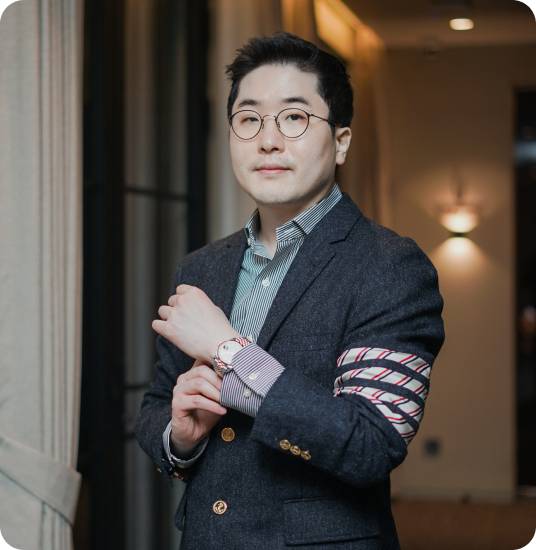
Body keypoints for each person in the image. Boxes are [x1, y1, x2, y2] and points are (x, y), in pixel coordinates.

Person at [135, 32, 444, 550]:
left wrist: (228, 350)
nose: (268, 141)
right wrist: (180, 438)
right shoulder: (201, 267)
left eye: (295, 117)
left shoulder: (390, 265)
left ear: (341, 141)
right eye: (249, 119)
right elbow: (156, 405)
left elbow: (371, 443)